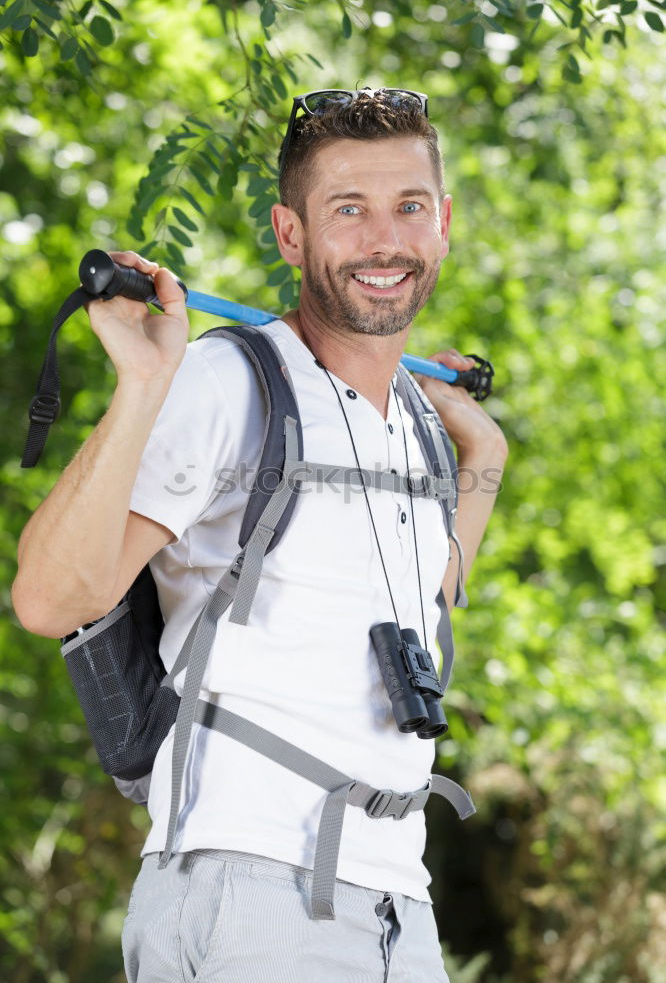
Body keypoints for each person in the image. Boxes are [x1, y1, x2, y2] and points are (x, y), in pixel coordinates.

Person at [12, 87, 508, 982]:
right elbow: (50, 599)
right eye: (347, 210)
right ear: (291, 234)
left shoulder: (416, 422)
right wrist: (142, 383)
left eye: (409, 207)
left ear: (444, 226)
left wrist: (486, 451)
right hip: (254, 895)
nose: (384, 240)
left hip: (400, 904)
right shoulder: (226, 384)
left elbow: (426, 598)